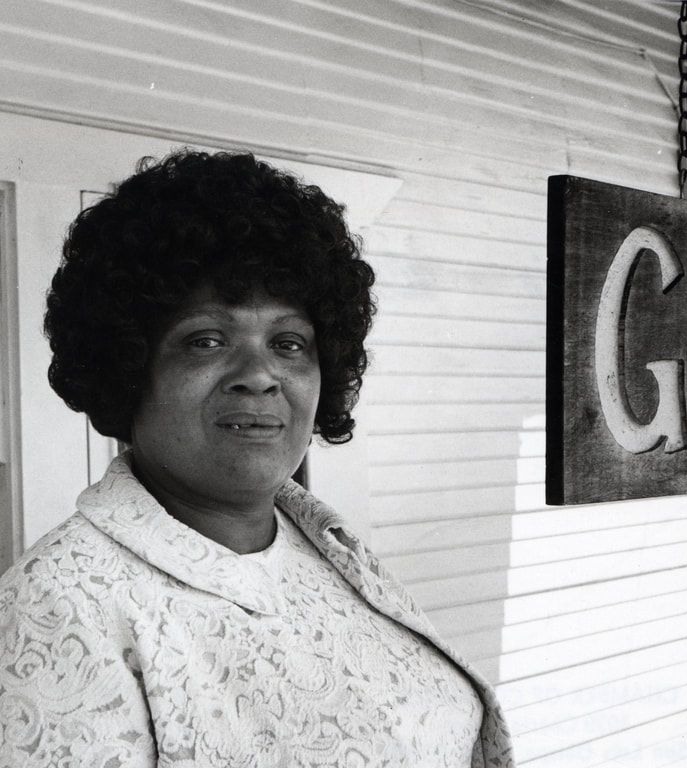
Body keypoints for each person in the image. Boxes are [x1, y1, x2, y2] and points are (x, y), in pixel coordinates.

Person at [0, 150, 513, 767]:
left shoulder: (326, 545)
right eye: (206, 340)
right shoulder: (59, 606)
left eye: (288, 343)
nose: (260, 374)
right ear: (128, 368)